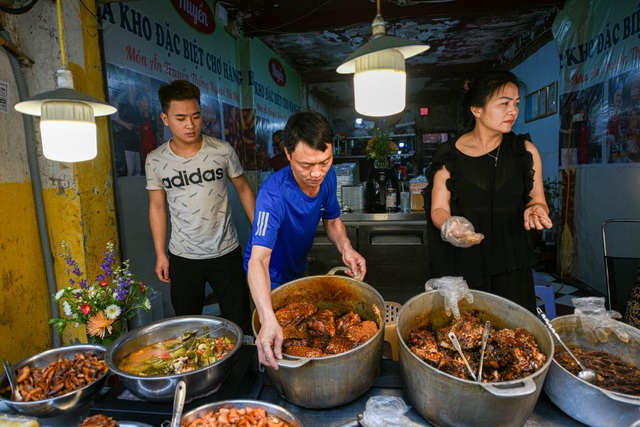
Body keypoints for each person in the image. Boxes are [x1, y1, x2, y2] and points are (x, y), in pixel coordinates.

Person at [423, 70, 553, 313]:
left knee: (514, 335)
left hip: (511, 260)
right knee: (464, 335)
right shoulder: (449, 154)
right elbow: (439, 208)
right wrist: (449, 224)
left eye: (515, 103)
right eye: (503, 103)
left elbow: (537, 199)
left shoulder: (524, 151)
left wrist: (537, 209)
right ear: (477, 110)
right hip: (463, 262)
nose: (512, 111)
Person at [244, 111, 367, 369]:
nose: (316, 173)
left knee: (307, 336)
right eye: (306, 165)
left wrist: (346, 249)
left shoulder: (328, 177)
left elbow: (332, 220)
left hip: (298, 268)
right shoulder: (272, 194)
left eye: (324, 161)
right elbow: (258, 260)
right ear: (288, 155)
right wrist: (267, 317)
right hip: (270, 275)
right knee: (277, 339)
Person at [145, 80, 255, 334]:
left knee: (239, 323)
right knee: (187, 327)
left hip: (226, 252)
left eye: (195, 116)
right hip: (183, 257)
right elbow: (157, 208)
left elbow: (244, 190)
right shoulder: (156, 160)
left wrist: (261, 233)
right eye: (181, 118)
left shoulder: (222, 151)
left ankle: (242, 369)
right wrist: (161, 253)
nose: (190, 125)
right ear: (165, 118)